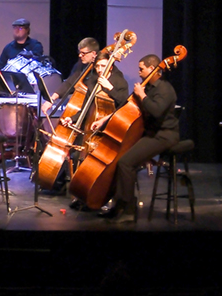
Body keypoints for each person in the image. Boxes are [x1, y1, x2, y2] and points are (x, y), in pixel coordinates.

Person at [102, 54, 178, 224]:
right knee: (117, 160)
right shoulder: (147, 87)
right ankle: (118, 205)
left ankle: (129, 209)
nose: (139, 72)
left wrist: (142, 96)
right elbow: (126, 106)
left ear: (152, 69)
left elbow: (156, 111)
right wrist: (104, 119)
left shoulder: (165, 89)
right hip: (148, 133)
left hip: (163, 135)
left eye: (141, 68)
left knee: (126, 163)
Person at [41, 37, 102, 115]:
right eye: (79, 52)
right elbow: (69, 83)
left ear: (93, 54)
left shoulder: (102, 68)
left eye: (83, 53)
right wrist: (51, 100)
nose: (80, 55)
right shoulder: (81, 66)